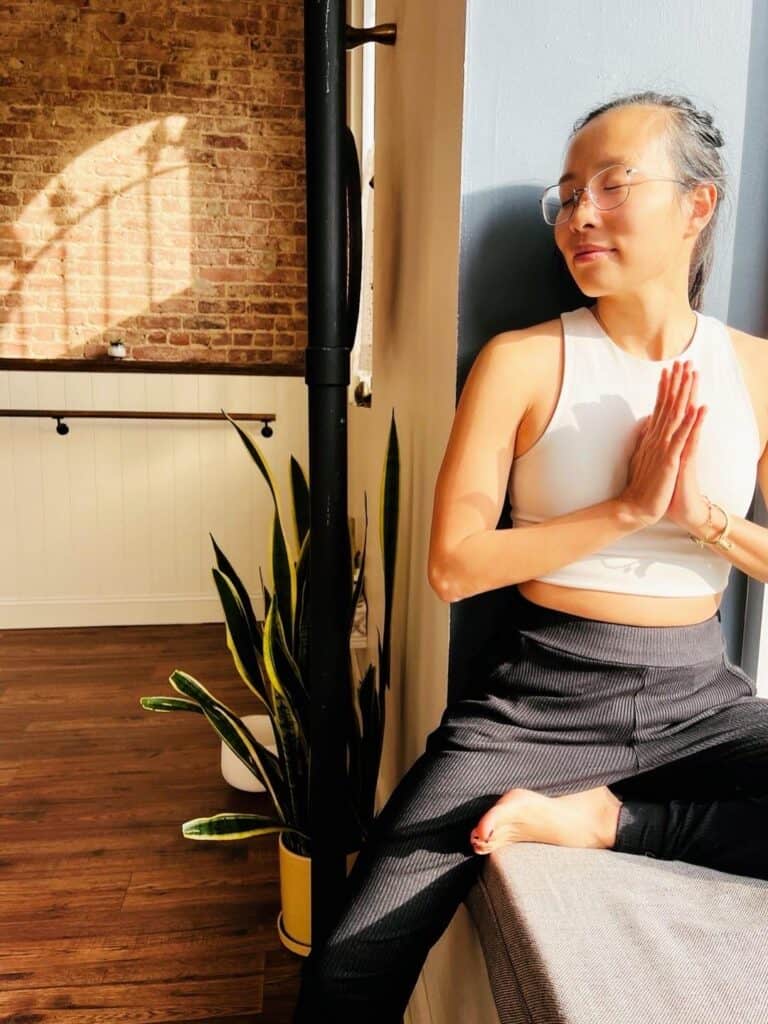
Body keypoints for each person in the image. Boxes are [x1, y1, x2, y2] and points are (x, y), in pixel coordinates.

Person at [292, 91, 768, 1024]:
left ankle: (608, 824)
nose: (579, 216)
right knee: (350, 968)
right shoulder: (521, 361)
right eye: (566, 196)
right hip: (533, 705)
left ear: (698, 204)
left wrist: (705, 518)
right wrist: (627, 509)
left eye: (613, 185)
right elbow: (455, 565)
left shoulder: (753, 369)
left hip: (701, 699)